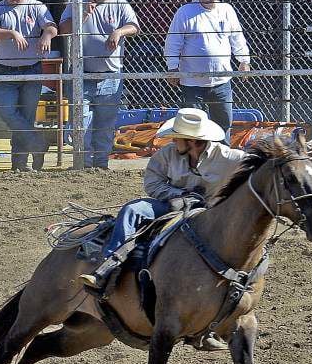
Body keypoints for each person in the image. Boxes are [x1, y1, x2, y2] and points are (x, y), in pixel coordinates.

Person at [79, 108, 245, 306]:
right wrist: (179, 194)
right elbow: (152, 182)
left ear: (190, 140)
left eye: (177, 138)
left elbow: (259, 168)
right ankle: (109, 265)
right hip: (172, 206)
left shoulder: (230, 158)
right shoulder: (167, 154)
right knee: (133, 209)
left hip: (208, 214)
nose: (173, 142)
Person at [58, 0, 140, 169]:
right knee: (81, 123)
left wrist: (119, 31)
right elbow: (63, 29)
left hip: (110, 76)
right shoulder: (77, 3)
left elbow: (134, 27)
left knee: (105, 124)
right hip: (82, 74)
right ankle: (83, 165)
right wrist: (83, 14)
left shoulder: (120, 4)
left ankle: (101, 165)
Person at [165, 0, 250, 142]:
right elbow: (173, 42)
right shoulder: (185, 11)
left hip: (221, 81)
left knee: (224, 124)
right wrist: (172, 68)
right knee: (192, 128)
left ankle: (221, 159)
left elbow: (237, 37)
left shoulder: (227, 10)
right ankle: (194, 162)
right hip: (192, 82)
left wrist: (244, 60)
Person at [0, 0, 58, 171]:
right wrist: (11, 33)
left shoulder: (36, 6)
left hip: (32, 68)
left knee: (25, 117)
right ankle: (37, 143)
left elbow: (51, 26)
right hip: (6, 70)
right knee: (7, 112)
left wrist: (46, 36)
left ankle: (19, 165)